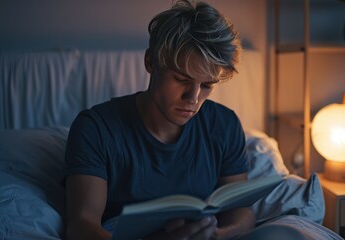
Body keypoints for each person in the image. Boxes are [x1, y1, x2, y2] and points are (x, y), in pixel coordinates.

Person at [64, 0, 255, 239]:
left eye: (206, 85)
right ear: (151, 62)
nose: (193, 98)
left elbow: (241, 211)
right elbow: (81, 225)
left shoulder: (224, 125)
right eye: (181, 79)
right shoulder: (96, 128)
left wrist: (218, 235)